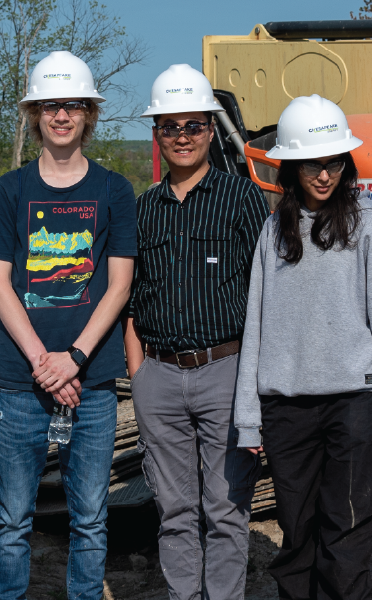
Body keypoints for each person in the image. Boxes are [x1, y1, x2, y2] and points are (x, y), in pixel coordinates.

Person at [232, 94, 372, 600]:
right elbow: (257, 328)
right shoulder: (273, 231)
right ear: (291, 166)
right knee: (298, 539)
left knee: (349, 537)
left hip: (353, 405)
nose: (324, 174)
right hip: (287, 409)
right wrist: (249, 418)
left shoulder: (366, 225)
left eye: (334, 161)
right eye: (313, 163)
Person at [0, 50, 137, 600]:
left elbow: (118, 286)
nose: (61, 115)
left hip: (90, 383)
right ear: (35, 115)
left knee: (89, 519)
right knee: (13, 517)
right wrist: (45, 361)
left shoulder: (113, 191)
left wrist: (75, 359)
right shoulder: (9, 191)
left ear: (88, 114)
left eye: (72, 105)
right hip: (22, 384)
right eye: (49, 106)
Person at [123, 64, 269, 600]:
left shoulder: (242, 199)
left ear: (211, 128)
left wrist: (256, 382)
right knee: (174, 510)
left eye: (193, 126)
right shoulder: (142, 211)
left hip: (226, 371)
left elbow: (266, 293)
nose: (182, 137)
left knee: (226, 509)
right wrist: (140, 376)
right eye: (170, 127)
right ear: (157, 134)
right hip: (159, 374)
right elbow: (131, 300)